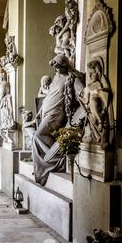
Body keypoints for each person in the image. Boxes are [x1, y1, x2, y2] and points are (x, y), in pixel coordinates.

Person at [32, 54, 84, 186]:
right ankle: (46, 162)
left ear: (65, 65)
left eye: (58, 67)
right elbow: (49, 94)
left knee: (38, 135)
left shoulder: (71, 78)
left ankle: (54, 160)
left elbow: (82, 92)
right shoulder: (56, 77)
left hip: (55, 115)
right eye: (55, 67)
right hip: (47, 113)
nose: (56, 70)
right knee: (38, 136)